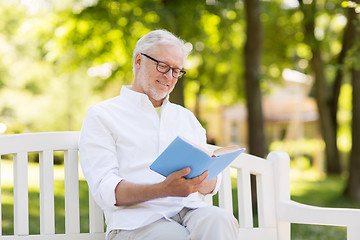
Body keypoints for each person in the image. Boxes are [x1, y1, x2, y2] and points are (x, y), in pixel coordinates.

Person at [79, 29, 239, 240]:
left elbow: (210, 185)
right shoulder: (103, 115)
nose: (169, 77)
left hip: (189, 211)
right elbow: (106, 190)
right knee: (174, 236)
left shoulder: (186, 118)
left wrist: (202, 179)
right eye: (163, 66)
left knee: (220, 219)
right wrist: (163, 189)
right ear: (138, 60)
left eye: (176, 71)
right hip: (136, 221)